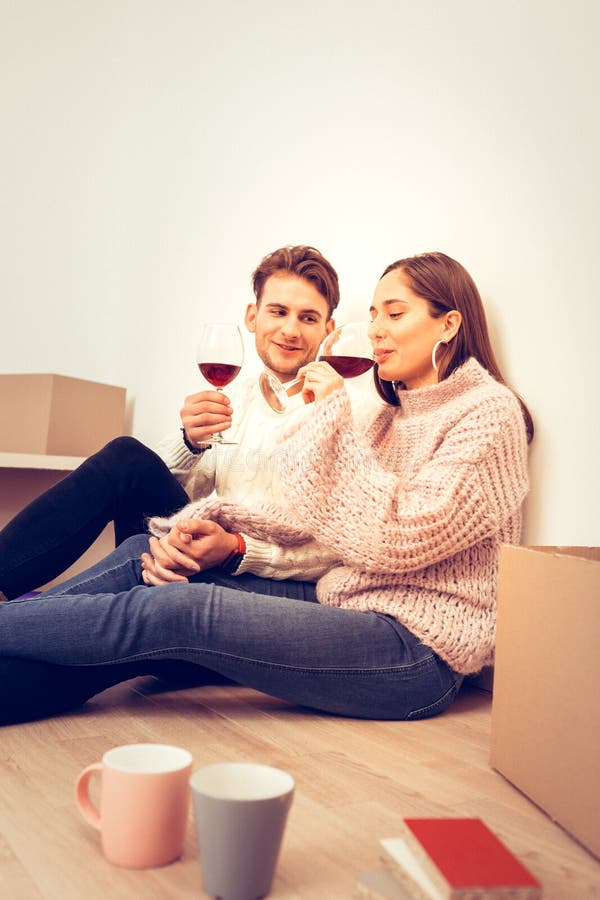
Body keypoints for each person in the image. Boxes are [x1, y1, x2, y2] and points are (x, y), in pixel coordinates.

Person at [0, 251, 533, 726]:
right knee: (146, 560)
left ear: (449, 324)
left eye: (394, 314)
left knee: (176, 611)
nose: (374, 332)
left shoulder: (487, 414)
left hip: (417, 652)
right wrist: (201, 529)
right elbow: (314, 517)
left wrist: (329, 421)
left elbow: (396, 538)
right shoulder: (393, 415)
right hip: (346, 606)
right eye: (372, 316)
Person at [0, 245, 341, 602]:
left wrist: (237, 548)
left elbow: (339, 541)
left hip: (255, 570)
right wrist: (190, 444)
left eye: (308, 318)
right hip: (201, 545)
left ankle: (22, 622)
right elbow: (163, 490)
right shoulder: (233, 397)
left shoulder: (343, 406)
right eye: (279, 311)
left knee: (131, 482)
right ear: (253, 316)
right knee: (126, 457)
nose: (290, 330)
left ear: (328, 330)